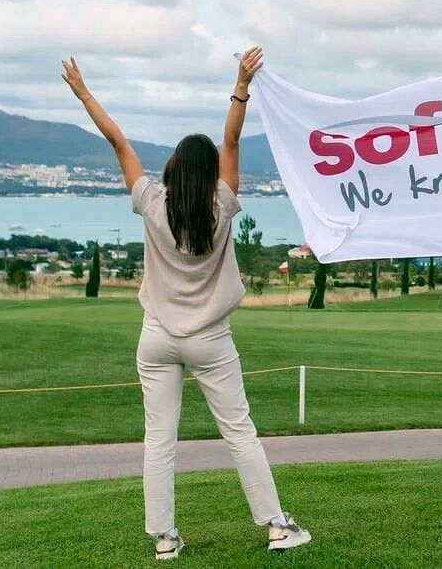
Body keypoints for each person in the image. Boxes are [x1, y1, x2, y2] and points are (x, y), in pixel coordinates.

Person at [61, 47, 310, 560]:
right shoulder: (222, 205)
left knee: (159, 438)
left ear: (174, 167)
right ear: (210, 171)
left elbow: (117, 140)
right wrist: (241, 85)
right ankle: (276, 526)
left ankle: (165, 539)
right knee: (239, 432)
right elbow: (232, 140)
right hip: (209, 340)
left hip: (156, 337)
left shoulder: (152, 202)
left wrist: (83, 93)